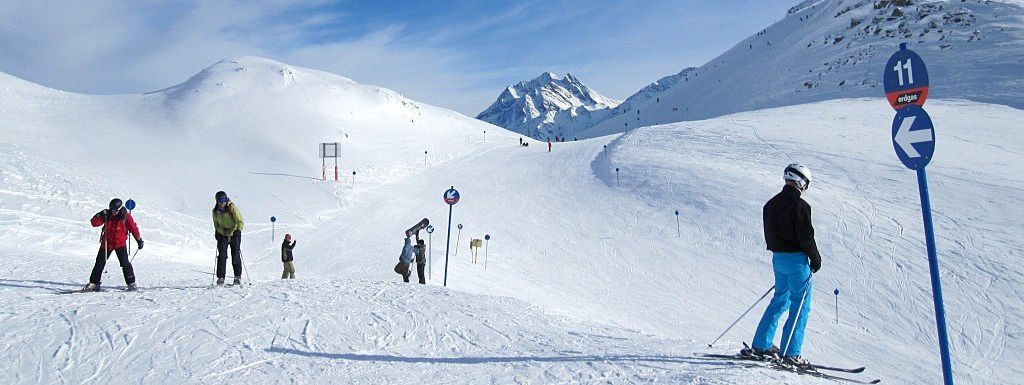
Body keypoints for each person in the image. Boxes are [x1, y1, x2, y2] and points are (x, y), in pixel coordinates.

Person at [742, 163, 822, 368]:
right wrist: (815, 258)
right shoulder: (801, 206)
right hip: (797, 262)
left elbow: (770, 233)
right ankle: (791, 353)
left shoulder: (770, 204)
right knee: (800, 306)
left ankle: (761, 345)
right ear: (802, 182)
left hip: (778, 260)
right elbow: (806, 237)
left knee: (779, 300)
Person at [83, 198, 143, 292]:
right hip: (107, 243)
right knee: (99, 263)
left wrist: (139, 240)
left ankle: (131, 283)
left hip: (120, 244)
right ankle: (94, 283)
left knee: (125, 263)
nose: (113, 212)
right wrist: (99, 215)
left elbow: (133, 228)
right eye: (111, 209)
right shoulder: (106, 214)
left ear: (119, 209)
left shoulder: (125, 216)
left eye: (115, 210)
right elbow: (94, 223)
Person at [212, 191, 245, 285]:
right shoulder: (215, 211)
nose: (222, 203)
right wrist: (217, 232)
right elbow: (216, 224)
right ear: (217, 201)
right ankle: (221, 277)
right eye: (220, 200)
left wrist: (238, 230)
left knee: (235, 255)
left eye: (223, 200)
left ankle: (237, 277)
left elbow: (240, 221)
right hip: (223, 234)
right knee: (222, 256)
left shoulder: (232, 208)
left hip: (234, 233)